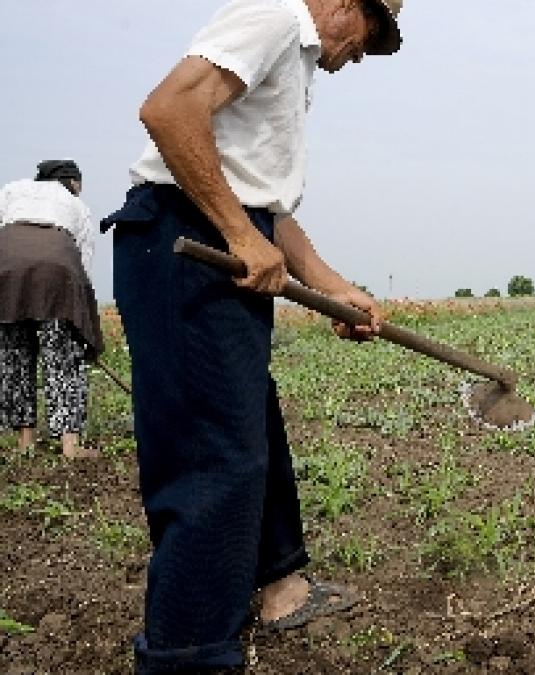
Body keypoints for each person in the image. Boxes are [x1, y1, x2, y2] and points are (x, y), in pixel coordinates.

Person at [99, 0, 402, 671]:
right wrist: (237, 234)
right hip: (186, 243)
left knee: (249, 425)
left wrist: (333, 288)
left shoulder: (295, 66)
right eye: (369, 35)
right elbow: (168, 111)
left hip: (221, 237)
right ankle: (189, 652)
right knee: (213, 457)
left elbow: (261, 204)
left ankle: (280, 588)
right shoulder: (271, 17)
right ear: (346, 6)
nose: (359, 54)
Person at [0, 159, 103, 459]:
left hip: (6, 273)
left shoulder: (11, 190)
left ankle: (25, 442)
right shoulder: (75, 205)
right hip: (56, 277)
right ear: (71, 182)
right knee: (64, 361)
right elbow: (83, 267)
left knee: (15, 357)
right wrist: (85, 331)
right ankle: (70, 446)